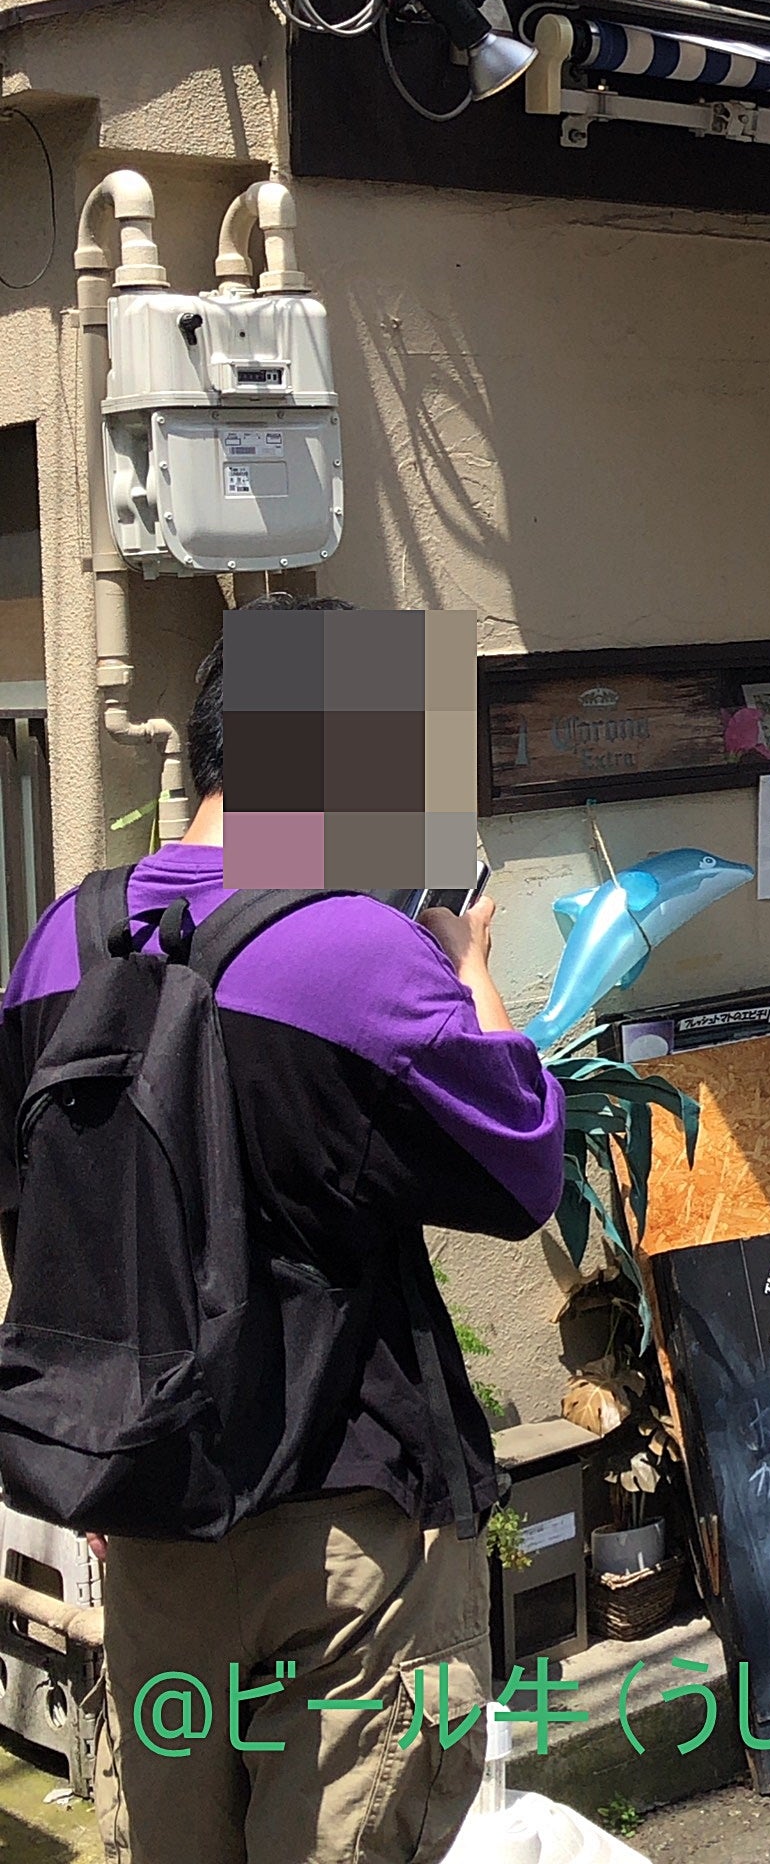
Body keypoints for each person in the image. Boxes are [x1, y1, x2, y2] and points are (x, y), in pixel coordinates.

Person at [0, 599, 564, 1864]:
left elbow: (29, 1207)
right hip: (347, 1530)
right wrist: (465, 959)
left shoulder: (56, 943)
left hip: (146, 1507)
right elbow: (526, 1161)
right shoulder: (356, 954)